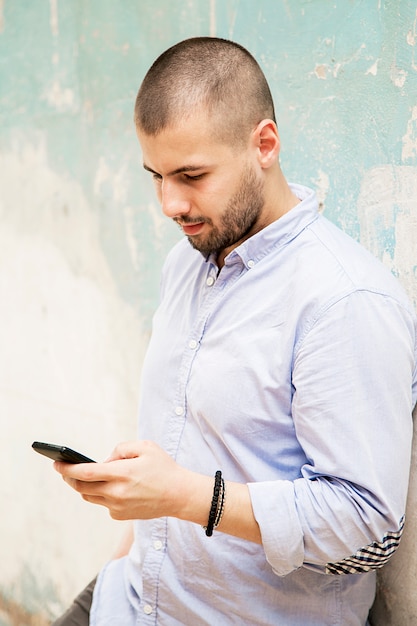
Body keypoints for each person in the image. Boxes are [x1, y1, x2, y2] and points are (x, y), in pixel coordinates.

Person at [52, 37, 417, 626]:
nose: (170, 202)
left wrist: (184, 496)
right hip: (127, 600)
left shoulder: (344, 301)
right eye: (156, 176)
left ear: (264, 145)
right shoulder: (188, 263)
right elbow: (180, 441)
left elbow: (366, 521)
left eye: (191, 175)